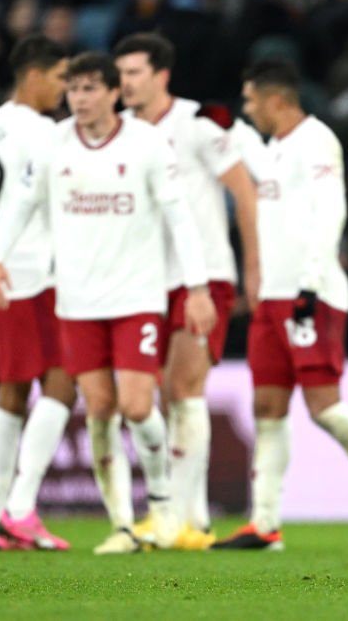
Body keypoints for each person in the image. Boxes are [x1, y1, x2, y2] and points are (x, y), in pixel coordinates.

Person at [0, 52, 217, 555]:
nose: (79, 99)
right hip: (77, 302)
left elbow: (180, 219)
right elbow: (21, 205)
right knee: (101, 409)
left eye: (90, 89)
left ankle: (162, 502)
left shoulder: (148, 145)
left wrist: (197, 288)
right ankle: (125, 525)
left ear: (113, 93)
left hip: (136, 297)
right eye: (74, 89)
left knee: (136, 405)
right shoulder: (54, 145)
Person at [213, 59, 348, 551]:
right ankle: (264, 524)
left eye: (251, 101)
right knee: (267, 406)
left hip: (311, 294)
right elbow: (238, 139)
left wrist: (310, 283)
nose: (248, 109)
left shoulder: (317, 140)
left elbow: (333, 210)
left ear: (277, 100)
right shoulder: (272, 150)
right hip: (271, 297)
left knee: (324, 407)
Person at [113, 32, 260, 550]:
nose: (124, 82)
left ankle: (187, 519)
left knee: (184, 388)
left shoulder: (199, 123)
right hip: (143, 281)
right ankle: (182, 514)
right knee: (156, 396)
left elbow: (244, 192)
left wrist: (253, 270)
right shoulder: (121, 131)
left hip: (205, 276)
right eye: (121, 73)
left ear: (161, 76)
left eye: (133, 72)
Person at [0, 35, 77, 551]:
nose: (64, 90)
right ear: (33, 75)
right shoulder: (41, 132)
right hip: (30, 272)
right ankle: (19, 509)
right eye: (60, 78)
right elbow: (31, 199)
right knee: (62, 383)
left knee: (11, 396)